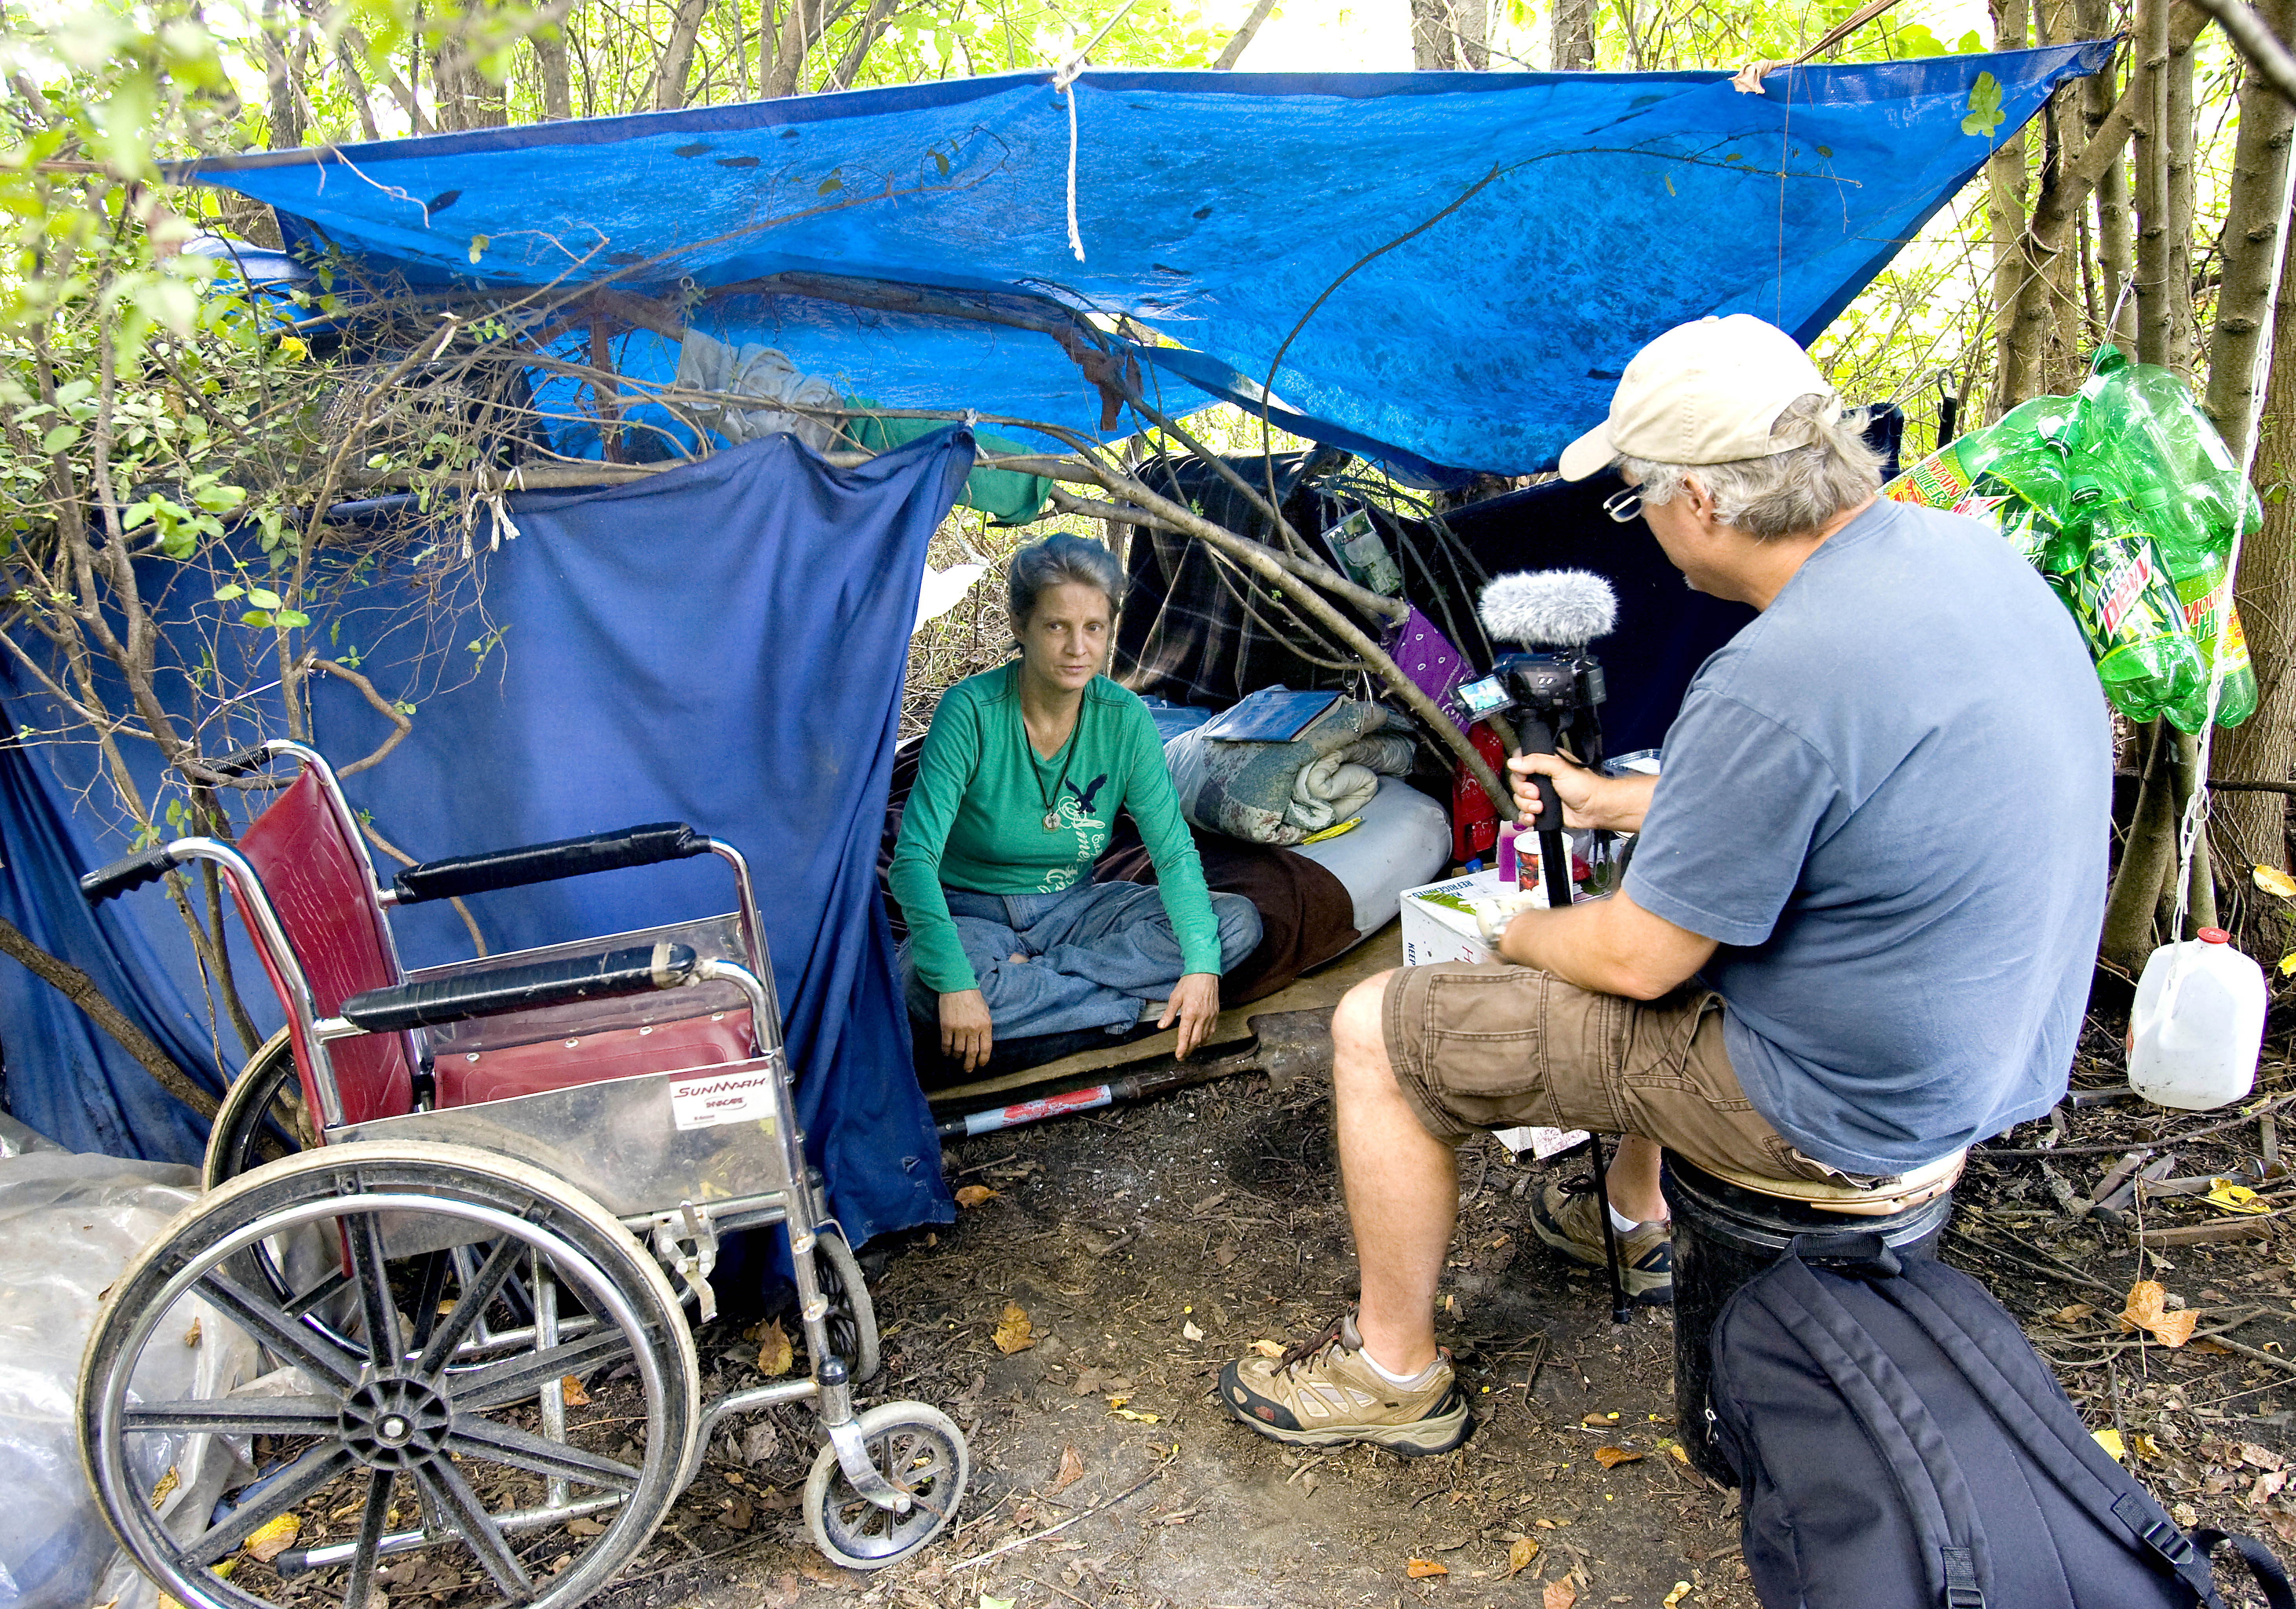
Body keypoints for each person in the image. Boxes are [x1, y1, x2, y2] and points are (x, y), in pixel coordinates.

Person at [1216, 314, 2111, 1455]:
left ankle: (1390, 1373)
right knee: (1675, 928)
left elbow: (1637, 957)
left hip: (1836, 1106)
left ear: (1701, 498)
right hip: (1980, 1055)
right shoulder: (1959, 555)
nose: (1639, 524)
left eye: (1633, 496)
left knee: (1375, 1031)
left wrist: (1523, 931)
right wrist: (1616, 803)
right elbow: (1845, 804)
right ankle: (1630, 1219)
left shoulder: (1778, 671)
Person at [890, 534, 1262, 1072]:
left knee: (1234, 926)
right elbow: (912, 862)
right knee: (921, 994)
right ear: (1021, 626)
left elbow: (1173, 853)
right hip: (974, 915)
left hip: (1076, 910)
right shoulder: (970, 712)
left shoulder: (1125, 718)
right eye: (1056, 626)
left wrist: (1203, 966)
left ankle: (1041, 1001)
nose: (1077, 648)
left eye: (1094, 628)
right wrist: (955, 981)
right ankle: (1132, 1009)